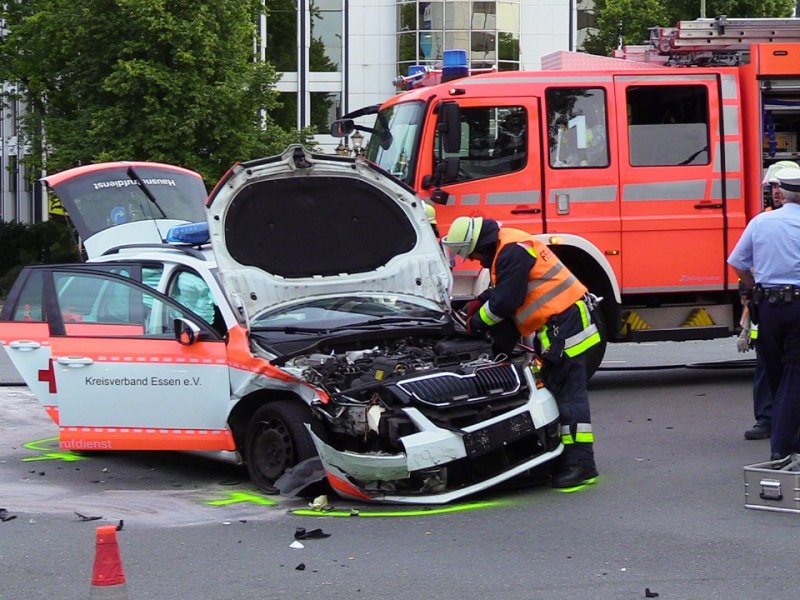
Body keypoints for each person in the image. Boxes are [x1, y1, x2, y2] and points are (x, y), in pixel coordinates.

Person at [442, 216, 601, 488]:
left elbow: (505, 302)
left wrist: (475, 323)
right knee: (554, 390)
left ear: (482, 245)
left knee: (569, 396)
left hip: (567, 327)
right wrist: (476, 302)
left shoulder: (511, 251)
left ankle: (582, 464)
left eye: (476, 254)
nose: (477, 261)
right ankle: (560, 457)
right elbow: (501, 291)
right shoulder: (509, 245)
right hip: (560, 326)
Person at [728, 167, 800, 461]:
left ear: (782, 194)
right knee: (794, 376)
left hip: (769, 308)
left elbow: (737, 262)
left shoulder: (761, 223)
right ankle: (783, 446)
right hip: (798, 306)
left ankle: (781, 433)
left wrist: (754, 286)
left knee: (775, 373)